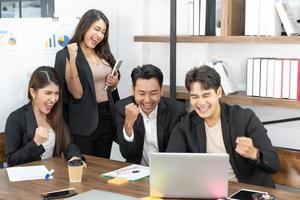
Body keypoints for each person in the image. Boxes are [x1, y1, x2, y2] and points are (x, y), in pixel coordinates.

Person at [166, 65, 280, 188]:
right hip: (208, 190)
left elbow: (274, 164)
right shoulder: (185, 125)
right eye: (195, 96)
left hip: (246, 189)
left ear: (219, 92)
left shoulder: (244, 118)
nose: (201, 103)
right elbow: (170, 165)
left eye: (206, 95)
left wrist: (254, 153)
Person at [54, 9, 120, 158]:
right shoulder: (64, 55)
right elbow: (68, 95)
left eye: (103, 32)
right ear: (85, 26)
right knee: (83, 169)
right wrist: (63, 131)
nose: (99, 35)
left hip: (107, 118)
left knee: (103, 167)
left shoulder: (103, 52)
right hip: (82, 124)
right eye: (96, 29)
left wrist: (114, 82)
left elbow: (110, 79)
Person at [5, 66, 81, 166]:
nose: (53, 99)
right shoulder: (16, 118)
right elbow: (11, 161)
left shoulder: (56, 113)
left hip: (54, 175)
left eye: (56, 93)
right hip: (29, 179)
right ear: (33, 92)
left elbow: (68, 143)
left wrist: (74, 157)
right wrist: (35, 142)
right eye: (48, 93)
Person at [116, 64, 187, 165]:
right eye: (141, 93)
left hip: (167, 170)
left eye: (153, 93)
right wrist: (128, 124)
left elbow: (176, 154)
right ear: (133, 90)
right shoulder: (122, 108)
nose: (147, 100)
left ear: (161, 90)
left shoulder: (177, 111)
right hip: (137, 171)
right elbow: (127, 154)